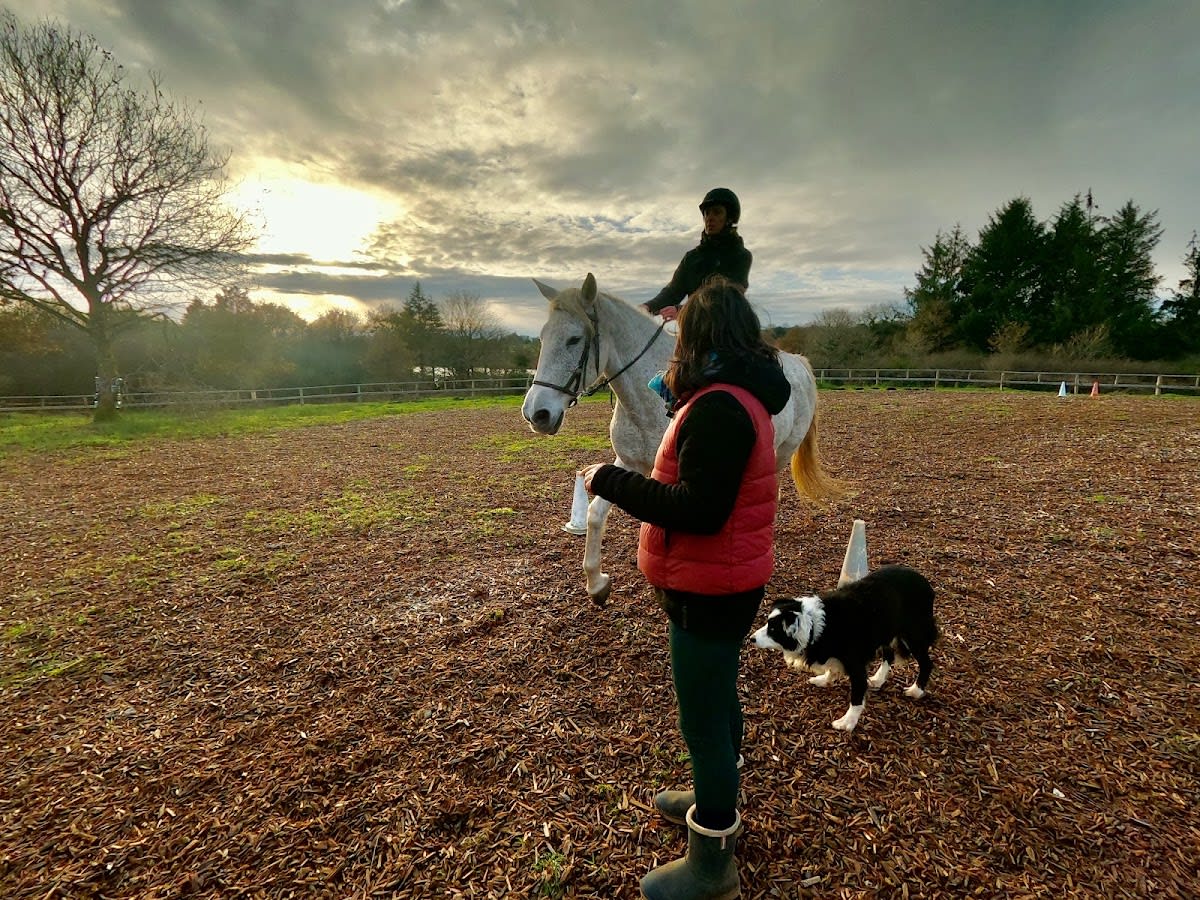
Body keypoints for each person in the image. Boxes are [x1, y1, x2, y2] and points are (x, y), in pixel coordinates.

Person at [580, 276, 789, 899]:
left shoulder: (722, 407)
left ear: (700, 335)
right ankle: (715, 790)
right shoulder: (730, 394)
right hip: (714, 579)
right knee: (717, 702)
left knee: (701, 721)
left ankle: (713, 862)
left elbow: (699, 510)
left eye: (683, 331)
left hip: (710, 586)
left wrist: (610, 480)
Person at [643, 188, 752, 321]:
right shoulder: (691, 258)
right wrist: (647, 307)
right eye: (707, 213)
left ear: (729, 218)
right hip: (694, 327)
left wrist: (681, 310)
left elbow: (727, 298)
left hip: (729, 328)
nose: (710, 218)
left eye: (717, 212)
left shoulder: (741, 256)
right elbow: (673, 292)